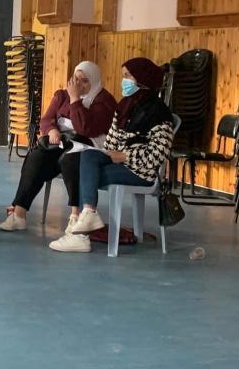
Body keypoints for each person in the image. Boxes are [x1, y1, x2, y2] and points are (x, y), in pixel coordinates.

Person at [50, 57, 175, 253]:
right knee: (87, 155)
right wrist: (108, 152)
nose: (124, 81)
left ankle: (81, 234)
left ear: (143, 79)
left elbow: (158, 154)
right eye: (123, 76)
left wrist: (124, 156)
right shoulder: (124, 106)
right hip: (118, 162)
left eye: (128, 76)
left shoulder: (160, 113)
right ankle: (88, 215)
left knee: (84, 173)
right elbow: (111, 142)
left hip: (141, 171)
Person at [0, 61, 116, 233]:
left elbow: (85, 128)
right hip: (61, 142)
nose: (78, 85)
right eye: (76, 79)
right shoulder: (62, 95)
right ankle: (19, 214)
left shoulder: (104, 101)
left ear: (95, 81)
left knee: (71, 160)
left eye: (85, 81)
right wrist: (52, 129)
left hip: (86, 145)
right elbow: (46, 120)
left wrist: (75, 100)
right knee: (36, 157)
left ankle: (76, 215)